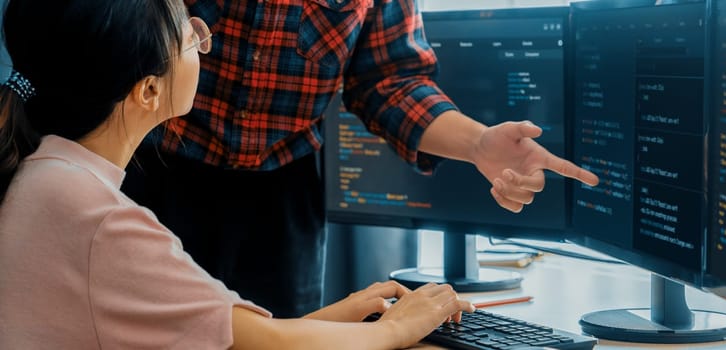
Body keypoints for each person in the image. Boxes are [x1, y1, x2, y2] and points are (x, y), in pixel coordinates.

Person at [0, 0, 473, 348]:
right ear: (148, 90)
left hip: (279, 185)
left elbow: (225, 334)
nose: (204, 43)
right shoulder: (106, 223)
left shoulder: (49, 179)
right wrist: (396, 329)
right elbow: (256, 341)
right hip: (175, 173)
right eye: (191, 35)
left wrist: (345, 315)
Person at [123, 0, 601, 318]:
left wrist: (478, 145)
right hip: (152, 163)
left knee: (281, 334)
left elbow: (390, 81)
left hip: (281, 193)